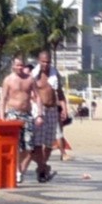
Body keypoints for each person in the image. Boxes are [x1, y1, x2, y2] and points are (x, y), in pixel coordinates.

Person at [26, 51, 62, 183]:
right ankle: (43, 168)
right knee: (36, 143)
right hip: (39, 110)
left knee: (49, 143)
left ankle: (41, 169)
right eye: (43, 61)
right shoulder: (34, 75)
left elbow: (60, 91)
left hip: (52, 109)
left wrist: (64, 108)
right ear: (39, 61)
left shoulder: (54, 74)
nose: (46, 64)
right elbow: (28, 91)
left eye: (48, 62)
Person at [0, 57, 36, 183]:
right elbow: (3, 98)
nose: (20, 68)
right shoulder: (8, 80)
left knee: (29, 147)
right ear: (13, 66)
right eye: (18, 65)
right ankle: (17, 171)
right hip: (13, 114)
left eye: (22, 65)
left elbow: (37, 97)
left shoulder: (30, 79)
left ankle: (19, 168)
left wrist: (40, 114)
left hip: (27, 114)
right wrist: (2, 116)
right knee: (15, 145)